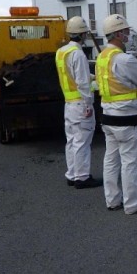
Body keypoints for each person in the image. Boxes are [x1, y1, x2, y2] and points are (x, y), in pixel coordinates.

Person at [95, 14, 137, 215]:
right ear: (118, 34)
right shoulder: (124, 59)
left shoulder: (101, 57)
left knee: (111, 160)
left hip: (108, 116)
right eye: (126, 31)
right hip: (127, 117)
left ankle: (112, 200)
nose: (129, 34)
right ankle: (133, 204)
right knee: (129, 162)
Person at [55, 16, 102, 189]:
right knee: (82, 142)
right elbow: (82, 82)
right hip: (81, 104)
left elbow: (71, 75)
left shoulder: (62, 52)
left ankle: (72, 174)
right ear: (82, 35)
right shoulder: (78, 54)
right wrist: (89, 103)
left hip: (69, 104)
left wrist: (91, 76)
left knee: (72, 141)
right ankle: (82, 178)